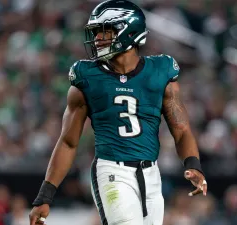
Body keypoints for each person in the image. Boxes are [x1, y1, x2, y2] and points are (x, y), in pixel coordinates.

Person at [29, 0, 208, 224]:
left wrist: (193, 164)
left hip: (151, 174)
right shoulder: (87, 77)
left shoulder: (160, 71)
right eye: (96, 33)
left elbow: (181, 129)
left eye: (104, 32)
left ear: (129, 31)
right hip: (112, 171)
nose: (97, 39)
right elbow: (68, 142)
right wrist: (45, 196)